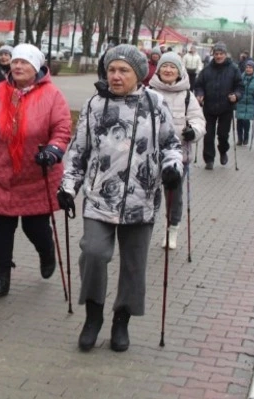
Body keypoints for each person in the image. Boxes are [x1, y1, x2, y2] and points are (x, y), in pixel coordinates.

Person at [57, 45, 183, 353]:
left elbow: (171, 144)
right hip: (100, 197)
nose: (116, 76)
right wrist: (68, 187)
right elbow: (78, 151)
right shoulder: (95, 105)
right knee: (94, 253)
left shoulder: (155, 103)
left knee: (134, 265)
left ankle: (121, 321)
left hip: (141, 199)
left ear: (139, 74)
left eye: (123, 70)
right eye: (111, 69)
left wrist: (172, 168)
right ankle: (93, 316)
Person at [0, 43, 72, 302]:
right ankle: (0, 277)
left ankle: (46, 252)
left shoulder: (52, 95)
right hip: (2, 171)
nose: (18, 66)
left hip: (37, 172)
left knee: (35, 226)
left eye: (24, 62)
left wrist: (54, 151)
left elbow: (62, 128)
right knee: (0, 227)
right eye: (15, 61)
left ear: (36, 66)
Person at [148, 52, 205, 249]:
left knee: (173, 196)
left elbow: (199, 120)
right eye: (164, 66)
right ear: (158, 69)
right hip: (148, 155)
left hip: (179, 156)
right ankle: (142, 231)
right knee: (146, 195)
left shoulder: (188, 96)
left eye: (172, 67)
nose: (168, 70)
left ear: (179, 71)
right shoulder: (147, 92)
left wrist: (193, 131)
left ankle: (172, 231)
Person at [193, 42, 244, 169]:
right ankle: (209, 160)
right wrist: (199, 94)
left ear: (225, 55)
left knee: (222, 134)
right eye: (216, 54)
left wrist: (236, 96)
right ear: (213, 55)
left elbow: (240, 86)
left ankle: (223, 151)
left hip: (226, 107)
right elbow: (198, 85)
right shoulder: (206, 70)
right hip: (209, 107)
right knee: (208, 134)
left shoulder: (234, 69)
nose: (219, 56)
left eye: (221, 54)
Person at [235, 60, 254, 146]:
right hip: (241, 102)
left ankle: (246, 137)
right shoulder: (241, 77)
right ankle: (239, 138)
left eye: (250, 67)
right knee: (239, 121)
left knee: (246, 121)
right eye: (247, 67)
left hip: (250, 103)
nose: (248, 69)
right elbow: (236, 87)